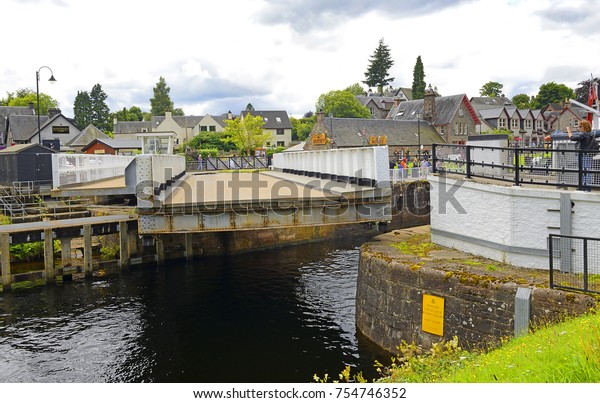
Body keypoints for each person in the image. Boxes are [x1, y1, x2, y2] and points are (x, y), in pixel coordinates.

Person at [566, 120, 596, 190]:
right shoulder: (590, 134)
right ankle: (587, 187)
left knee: (583, 170)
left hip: (582, 155)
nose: (578, 128)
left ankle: (583, 187)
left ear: (584, 127)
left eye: (580, 126)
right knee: (586, 170)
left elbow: (572, 138)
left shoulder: (583, 134)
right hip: (587, 155)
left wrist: (568, 130)